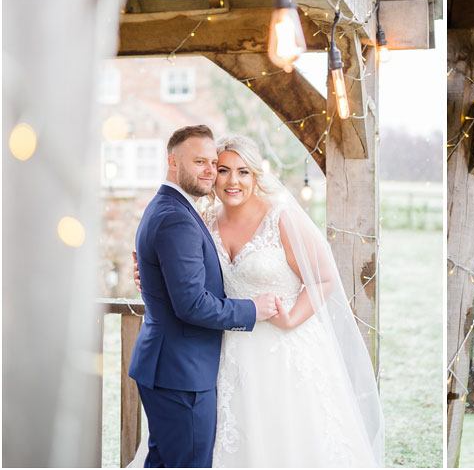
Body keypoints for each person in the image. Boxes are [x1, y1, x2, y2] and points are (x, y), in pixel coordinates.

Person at [131, 133, 383, 466]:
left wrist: (291, 318)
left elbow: (323, 278)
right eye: (222, 170)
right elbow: (189, 280)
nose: (232, 180)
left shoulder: (281, 219)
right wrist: (151, 276)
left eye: (243, 171)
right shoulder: (204, 222)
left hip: (283, 351)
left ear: (256, 174)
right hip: (225, 355)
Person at [129, 126, 278, 467]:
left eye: (214, 162)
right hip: (182, 373)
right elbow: (192, 304)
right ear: (173, 162)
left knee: (165, 461)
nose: (211, 171)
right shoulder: (175, 218)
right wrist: (252, 309)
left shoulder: (169, 208)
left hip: (170, 367)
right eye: (200, 162)